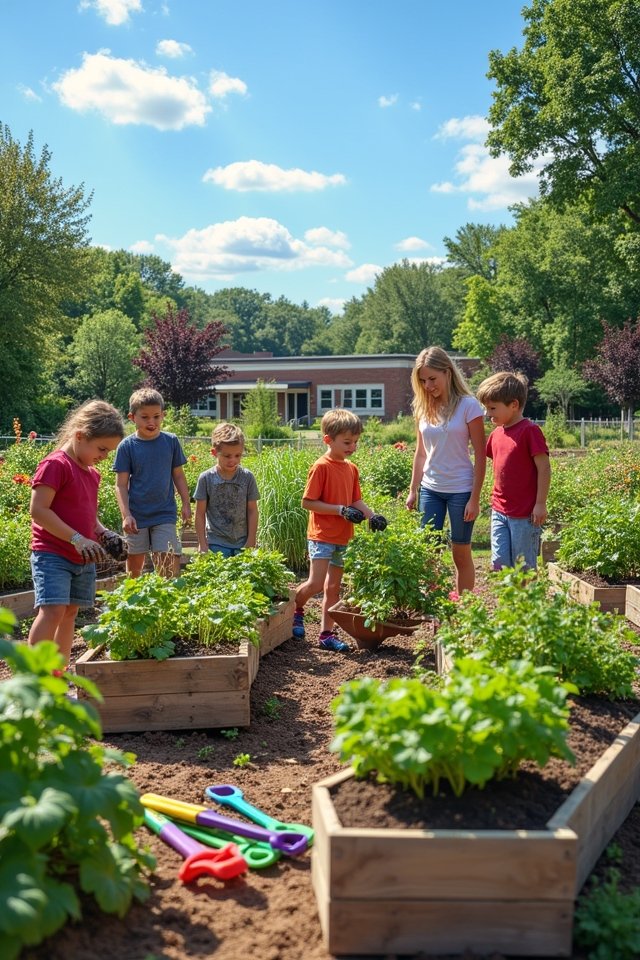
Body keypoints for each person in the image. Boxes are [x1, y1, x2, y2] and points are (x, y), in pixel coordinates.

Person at [28, 400, 125, 665]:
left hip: (82, 556)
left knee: (69, 613)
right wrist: (76, 538)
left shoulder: (92, 474)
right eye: (102, 449)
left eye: (109, 451)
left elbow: (88, 516)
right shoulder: (56, 465)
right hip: (52, 554)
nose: (105, 456)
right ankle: (33, 675)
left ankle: (57, 673)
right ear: (80, 436)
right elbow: (38, 510)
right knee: (53, 611)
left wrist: (104, 533)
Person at [293, 408, 387, 653]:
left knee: (333, 588)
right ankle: (295, 609)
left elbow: (356, 500)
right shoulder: (321, 467)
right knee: (315, 584)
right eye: (347, 442)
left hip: (344, 537)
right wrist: (340, 511)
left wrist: (372, 515)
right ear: (328, 439)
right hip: (322, 535)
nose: (352, 446)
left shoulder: (351, 468)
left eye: (355, 441)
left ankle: (326, 635)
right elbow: (308, 502)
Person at [406, 346, 486, 593]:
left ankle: (465, 609)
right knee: (429, 553)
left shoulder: (469, 406)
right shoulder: (422, 408)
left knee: (460, 553)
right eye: (423, 381)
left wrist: (475, 499)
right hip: (430, 489)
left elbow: (481, 455)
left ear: (447, 373)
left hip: (461, 490)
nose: (428, 386)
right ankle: (434, 607)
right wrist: (413, 490)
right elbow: (421, 453)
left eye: (432, 379)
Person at [476, 371, 550, 571]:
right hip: (499, 510)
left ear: (514, 405)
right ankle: (506, 594)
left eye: (492, 408)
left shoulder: (530, 431)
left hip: (524, 515)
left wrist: (540, 503)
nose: (487, 413)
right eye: (486, 408)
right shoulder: (496, 434)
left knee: (524, 568)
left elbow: (544, 468)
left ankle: (526, 593)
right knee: (499, 564)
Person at [114, 388, 191, 577]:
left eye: (156, 416)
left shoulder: (170, 441)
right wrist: (126, 515)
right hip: (136, 516)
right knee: (134, 570)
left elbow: (178, 476)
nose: (151, 422)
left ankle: (166, 595)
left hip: (165, 513)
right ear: (132, 417)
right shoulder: (127, 446)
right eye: (145, 417)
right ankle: (134, 595)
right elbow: (121, 485)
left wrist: (186, 503)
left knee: (166, 565)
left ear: (163, 415)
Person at [193, 422, 259, 558]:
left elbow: (252, 510)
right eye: (227, 456)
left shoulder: (247, 477)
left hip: (243, 543)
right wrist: (202, 544)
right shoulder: (206, 478)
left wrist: (251, 540)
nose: (233, 460)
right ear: (214, 453)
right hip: (215, 543)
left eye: (238, 455)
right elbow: (199, 513)